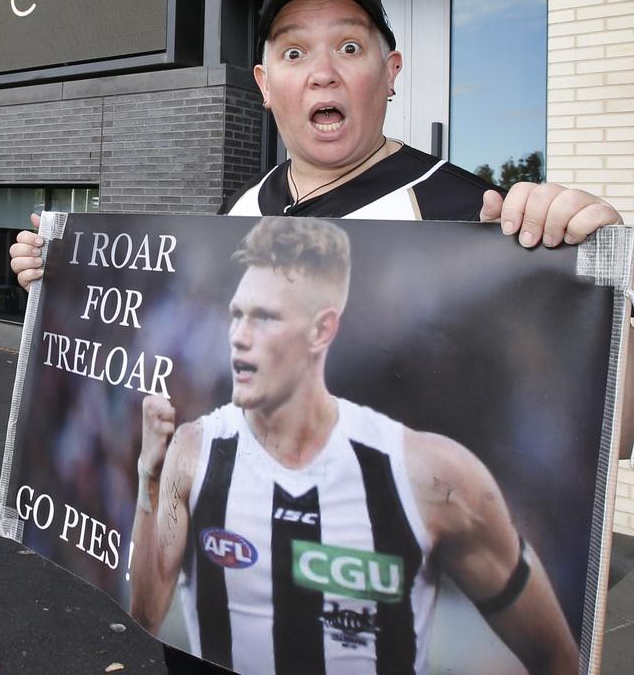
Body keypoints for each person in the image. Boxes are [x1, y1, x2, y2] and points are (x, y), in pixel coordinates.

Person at [8, 0, 621, 672]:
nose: (322, 73)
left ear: (390, 72)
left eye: (349, 48)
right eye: (294, 52)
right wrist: (60, 282)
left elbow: (614, 428)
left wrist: (598, 285)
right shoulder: (236, 215)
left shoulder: (469, 216)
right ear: (266, 85)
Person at [131, 217, 578, 674]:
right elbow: (145, 617)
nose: (239, 336)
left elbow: (557, 657)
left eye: (264, 317)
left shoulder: (432, 473)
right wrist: (149, 474)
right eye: (237, 314)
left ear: (322, 330)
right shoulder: (194, 448)